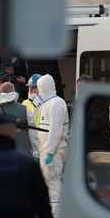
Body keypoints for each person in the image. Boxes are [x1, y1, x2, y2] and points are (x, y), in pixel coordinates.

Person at [36, 74, 70, 205]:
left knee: (53, 185)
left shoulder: (57, 103)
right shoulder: (47, 103)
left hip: (53, 152)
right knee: (49, 185)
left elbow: (55, 131)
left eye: (39, 88)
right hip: (46, 151)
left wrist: (50, 153)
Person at [0, 81, 35, 156]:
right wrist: (36, 153)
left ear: (0, 93)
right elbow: (33, 135)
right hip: (23, 156)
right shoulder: (25, 110)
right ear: (14, 92)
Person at [78, 75, 110, 154]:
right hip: (90, 146)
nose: (79, 90)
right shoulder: (85, 100)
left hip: (100, 146)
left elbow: (97, 122)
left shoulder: (100, 99)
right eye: (78, 88)